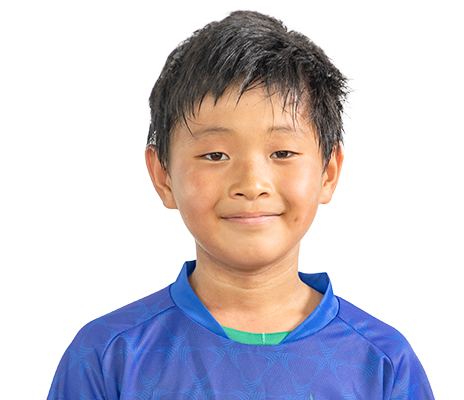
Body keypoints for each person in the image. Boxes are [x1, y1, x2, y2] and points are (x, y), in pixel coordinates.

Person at [47, 9, 434, 399]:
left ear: (328, 172)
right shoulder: (106, 357)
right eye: (215, 155)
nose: (251, 185)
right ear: (163, 175)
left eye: (282, 152)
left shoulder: (384, 364)